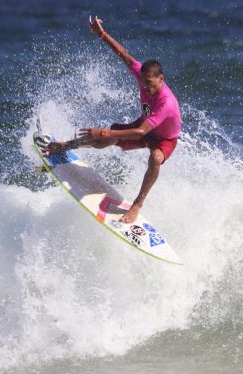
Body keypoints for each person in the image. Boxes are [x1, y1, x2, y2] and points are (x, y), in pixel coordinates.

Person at [40, 16, 181, 224]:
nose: (146, 88)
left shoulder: (166, 102)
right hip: (145, 125)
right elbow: (124, 55)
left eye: (150, 84)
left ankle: (137, 205)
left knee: (155, 158)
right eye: (143, 83)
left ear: (162, 79)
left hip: (164, 138)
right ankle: (66, 145)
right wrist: (102, 35)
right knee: (104, 139)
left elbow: (141, 132)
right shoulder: (143, 78)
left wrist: (106, 132)